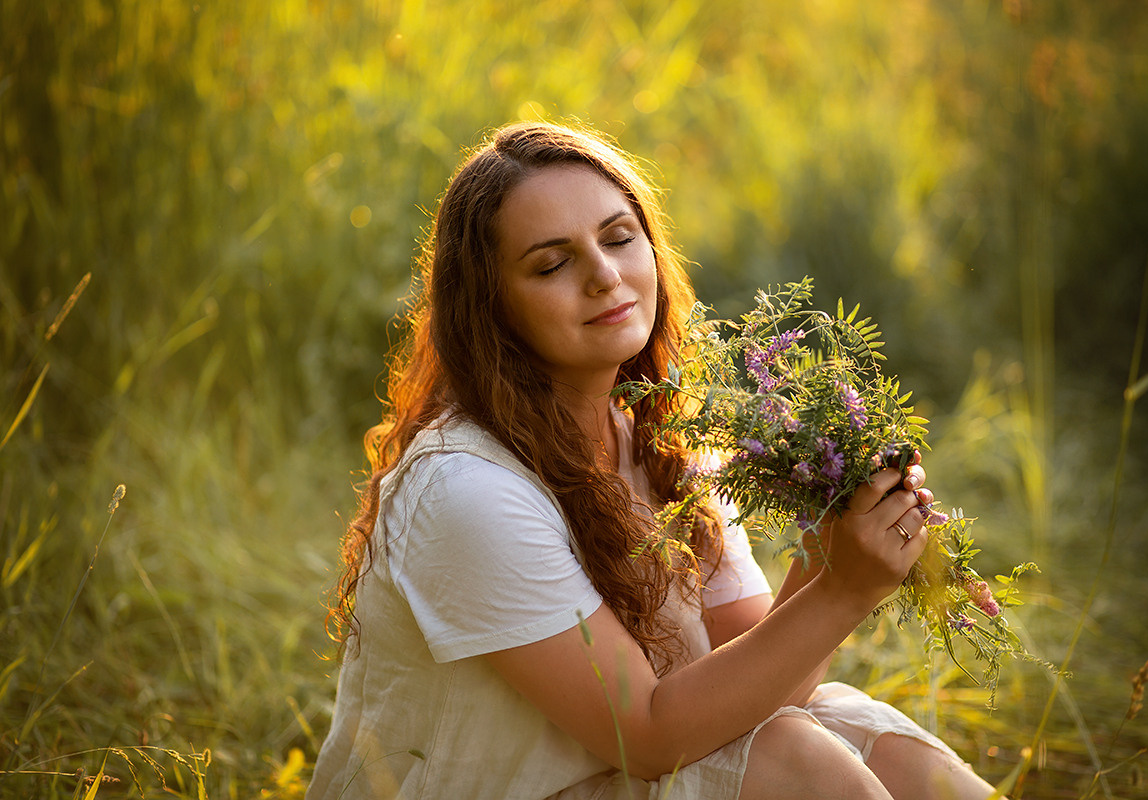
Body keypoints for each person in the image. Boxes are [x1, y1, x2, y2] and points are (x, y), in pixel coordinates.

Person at [308, 121, 1005, 800]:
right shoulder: (467, 489)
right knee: (796, 760)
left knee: (870, 739)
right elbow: (644, 735)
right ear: (491, 309)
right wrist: (844, 590)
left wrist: (839, 541)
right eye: (552, 264)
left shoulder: (665, 443)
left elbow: (768, 688)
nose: (605, 275)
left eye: (619, 238)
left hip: (619, 774)